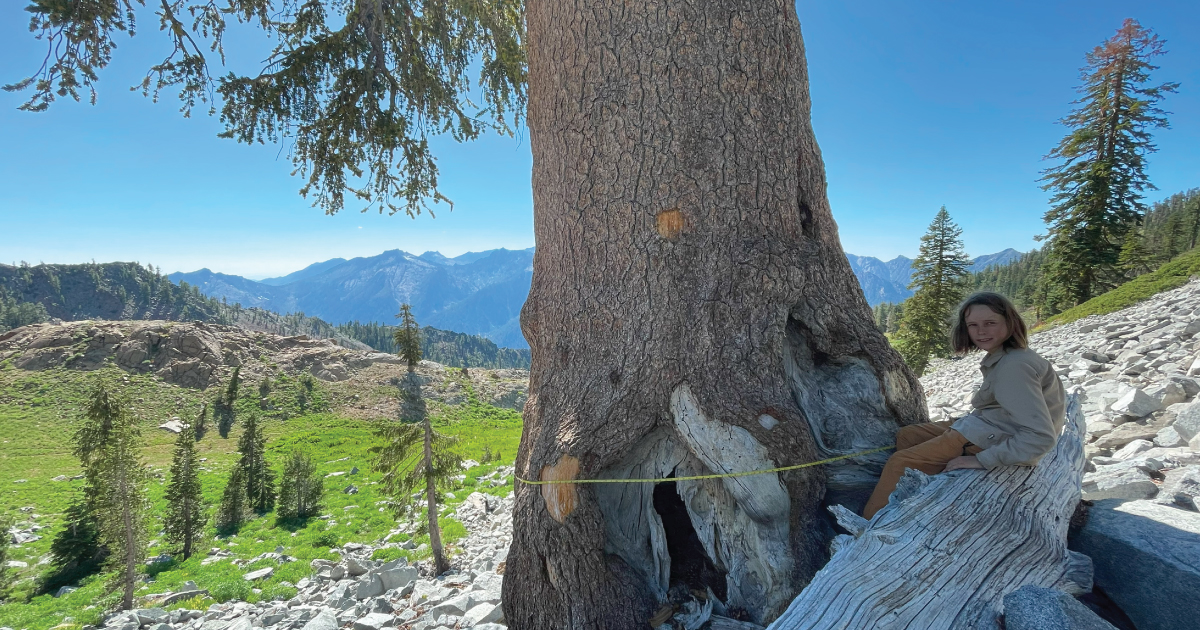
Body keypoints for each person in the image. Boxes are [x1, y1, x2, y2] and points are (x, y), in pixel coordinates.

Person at [861, 292, 1066, 520]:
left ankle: (870, 528)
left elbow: (1040, 437)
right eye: (973, 325)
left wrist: (980, 460)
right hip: (991, 426)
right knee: (909, 436)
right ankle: (915, 500)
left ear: (1010, 323)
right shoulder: (1009, 355)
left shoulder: (1014, 367)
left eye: (990, 323)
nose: (981, 331)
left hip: (993, 438)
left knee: (899, 463)